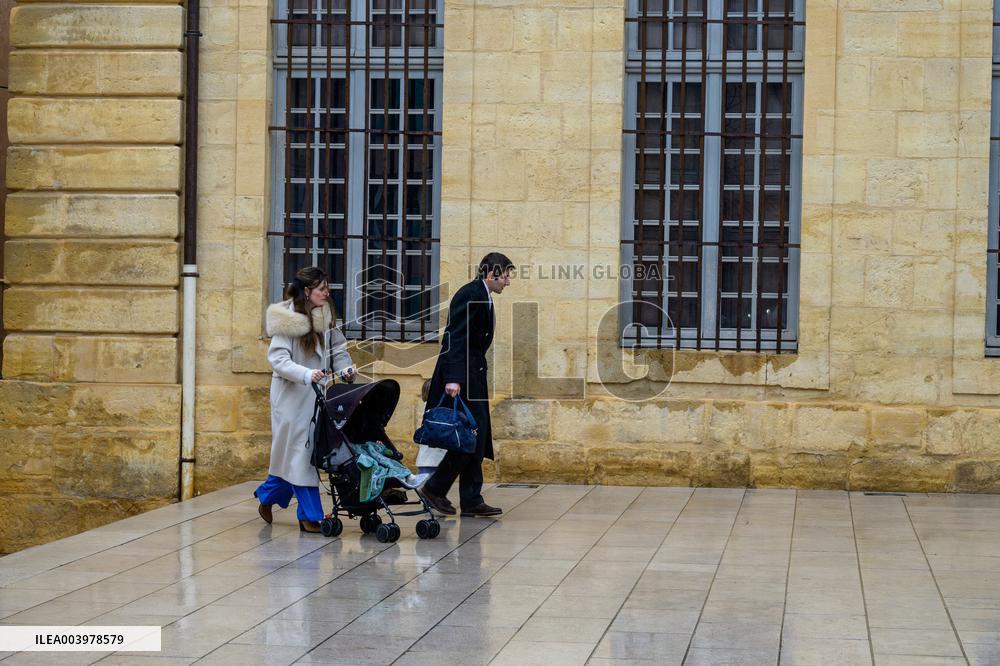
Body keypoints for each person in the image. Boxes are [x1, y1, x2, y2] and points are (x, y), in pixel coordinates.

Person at [255, 266, 355, 533]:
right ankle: (310, 515)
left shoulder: (325, 315)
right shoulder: (287, 321)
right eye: (322, 288)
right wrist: (307, 373)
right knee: (301, 456)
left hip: (314, 398)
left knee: (297, 456)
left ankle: (267, 495)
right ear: (308, 291)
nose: (327, 292)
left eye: (327, 288)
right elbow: (278, 360)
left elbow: (338, 349)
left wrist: (345, 368)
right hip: (290, 400)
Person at [418, 252, 514, 518]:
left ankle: (471, 498)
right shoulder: (469, 294)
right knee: (469, 434)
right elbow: (455, 338)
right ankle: (435, 488)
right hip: (461, 377)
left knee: (477, 435)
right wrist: (453, 379)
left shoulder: (483, 295)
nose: (507, 282)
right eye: (505, 275)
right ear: (491, 274)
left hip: (474, 374)